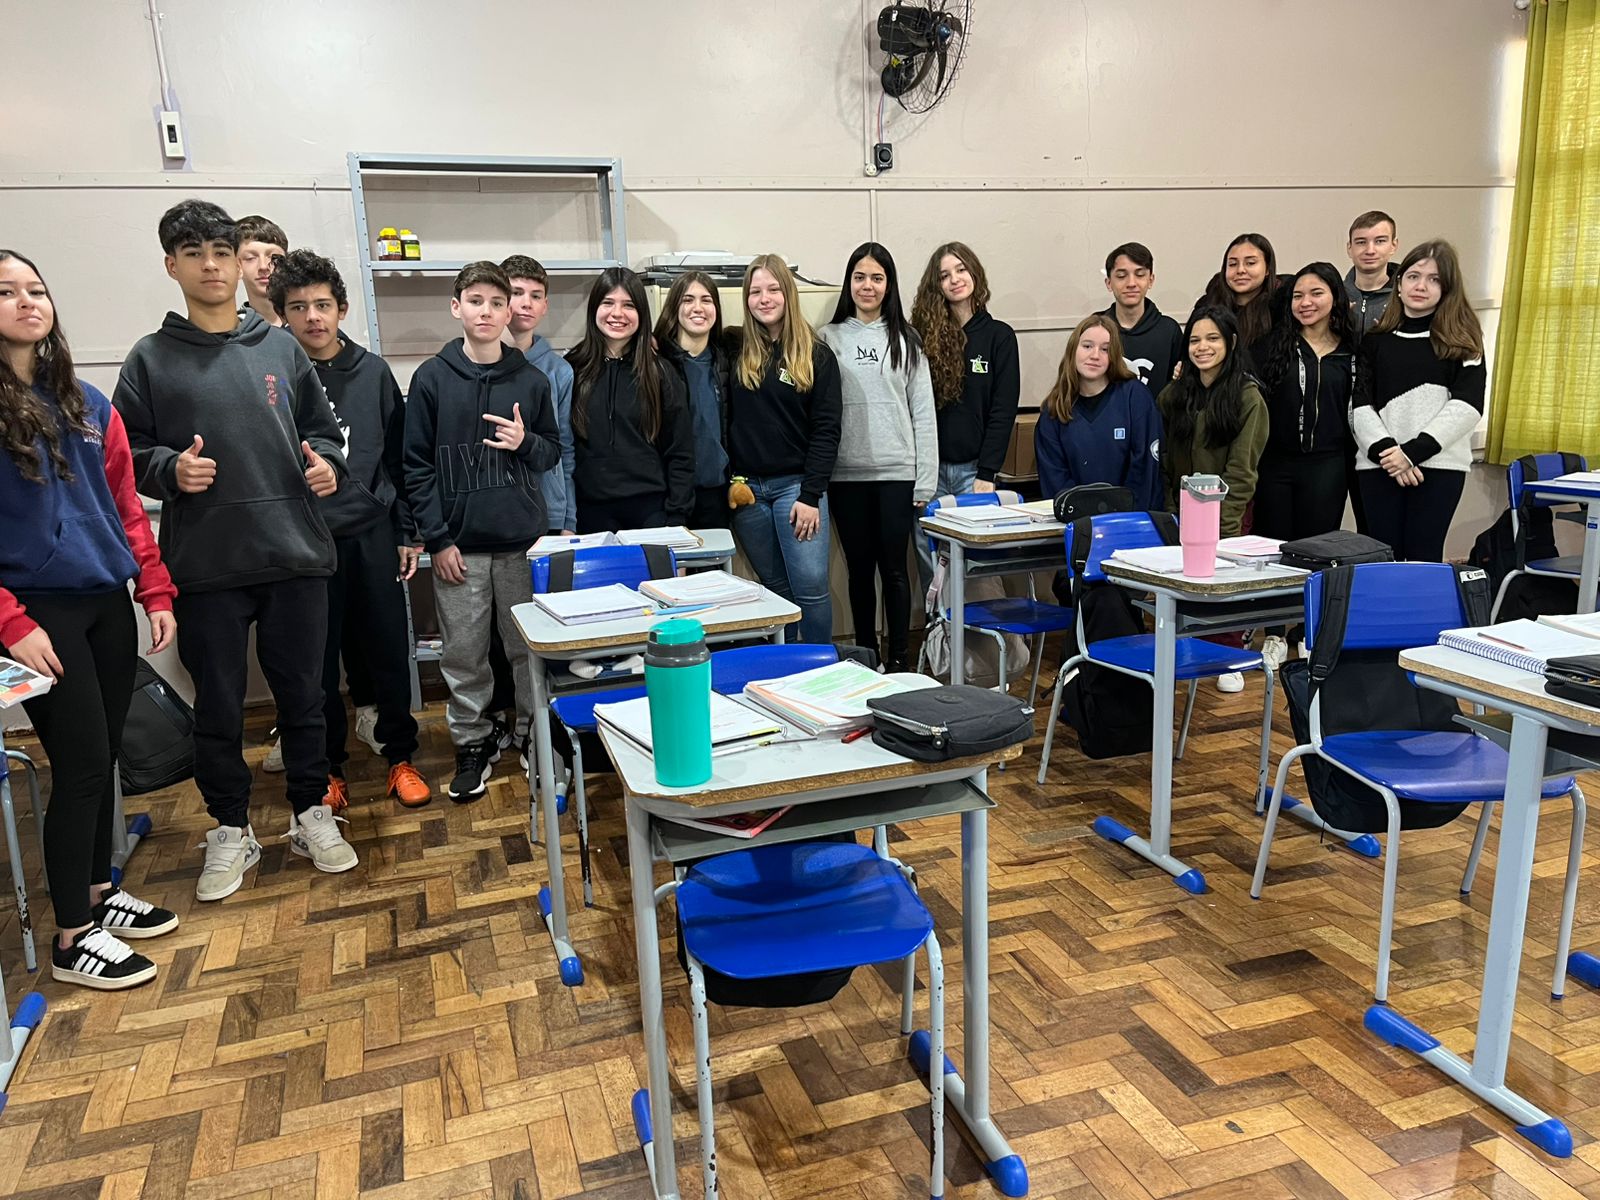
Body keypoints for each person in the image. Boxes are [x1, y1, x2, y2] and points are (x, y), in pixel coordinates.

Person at [114, 199, 355, 899]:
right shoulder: (150, 358)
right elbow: (127, 456)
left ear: (239, 261)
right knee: (218, 709)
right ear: (172, 266)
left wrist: (328, 465)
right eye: (194, 254)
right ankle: (229, 829)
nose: (212, 266)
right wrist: (171, 470)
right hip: (207, 565)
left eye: (221, 252)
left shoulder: (281, 348)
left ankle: (311, 813)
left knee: (305, 699)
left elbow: (323, 431)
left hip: (295, 556)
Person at [0, 249, 178, 988]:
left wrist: (154, 588)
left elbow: (125, 504)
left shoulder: (84, 401)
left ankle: (100, 892)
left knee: (103, 759)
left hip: (106, 601)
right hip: (39, 614)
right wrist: (12, 624)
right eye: (6, 292)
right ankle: (73, 937)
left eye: (36, 289)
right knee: (75, 768)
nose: (27, 302)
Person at [270, 250, 430, 809]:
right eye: (298, 307)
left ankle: (400, 757)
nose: (312, 316)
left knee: (387, 649)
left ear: (341, 308)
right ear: (282, 315)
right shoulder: (275, 376)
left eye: (322, 304)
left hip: (371, 533)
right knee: (315, 665)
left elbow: (398, 461)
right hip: (305, 540)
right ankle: (328, 770)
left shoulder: (373, 371)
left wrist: (407, 532)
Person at [403, 261, 560, 800]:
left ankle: (531, 732)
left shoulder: (531, 380)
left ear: (509, 311)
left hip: (521, 545)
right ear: (457, 308)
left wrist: (524, 442)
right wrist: (438, 539)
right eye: (475, 301)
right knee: (464, 653)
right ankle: (472, 740)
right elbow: (416, 466)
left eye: (497, 303)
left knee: (526, 648)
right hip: (459, 550)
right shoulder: (431, 379)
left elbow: (551, 452)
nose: (487, 312)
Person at [819, 242, 936, 672]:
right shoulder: (827, 338)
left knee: (895, 571)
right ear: (849, 283)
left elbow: (923, 412)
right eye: (859, 277)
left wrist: (925, 479)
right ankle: (867, 659)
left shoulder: (907, 340)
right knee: (859, 571)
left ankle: (900, 659)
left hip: (896, 475)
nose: (867, 286)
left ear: (889, 285)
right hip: (845, 476)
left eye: (877, 278)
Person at [726, 254, 842, 644]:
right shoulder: (735, 350)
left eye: (773, 289)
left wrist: (811, 495)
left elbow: (827, 430)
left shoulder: (817, 355)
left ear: (788, 294)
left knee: (810, 587)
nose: (764, 299)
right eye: (755, 291)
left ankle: (821, 667)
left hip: (797, 490)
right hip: (747, 493)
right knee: (775, 589)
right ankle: (788, 664)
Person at [1251, 262, 1358, 666]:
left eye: (1316, 293)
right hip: (1276, 464)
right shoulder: (1272, 346)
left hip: (1328, 464)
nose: (1306, 302)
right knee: (1275, 550)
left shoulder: (1351, 351)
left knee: (1317, 553)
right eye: (1298, 295)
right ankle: (1274, 633)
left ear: (1334, 297)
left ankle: (1307, 631)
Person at [1351, 240, 1484, 564]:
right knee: (1382, 560)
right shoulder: (1375, 341)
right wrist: (1390, 454)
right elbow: (1359, 405)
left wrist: (1411, 453)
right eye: (1413, 276)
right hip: (1379, 466)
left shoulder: (1464, 341)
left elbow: (1467, 406)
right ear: (1399, 284)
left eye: (1434, 279)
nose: (1421, 286)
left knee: (1423, 560)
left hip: (1438, 467)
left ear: (1447, 289)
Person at [1157, 305, 1269, 692]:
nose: (1202, 347)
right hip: (1180, 508)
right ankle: (1191, 649)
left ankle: (1230, 657)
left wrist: (1226, 525)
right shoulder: (1176, 394)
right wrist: (1171, 509)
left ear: (1231, 343)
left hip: (1228, 510)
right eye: (1194, 340)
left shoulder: (1247, 396)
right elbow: (1167, 457)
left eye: (1212, 339)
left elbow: (1242, 470)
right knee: (1186, 583)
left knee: (1225, 583)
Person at [565, 267, 693, 534]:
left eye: (628, 305)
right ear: (594, 309)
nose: (617, 313)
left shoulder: (660, 372)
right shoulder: (572, 369)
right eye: (608, 303)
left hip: (652, 511)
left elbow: (680, 452)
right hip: (589, 514)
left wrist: (677, 517)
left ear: (641, 313)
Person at [910, 241, 1019, 498]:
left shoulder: (999, 337)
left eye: (961, 270)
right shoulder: (921, 336)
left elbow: (1003, 411)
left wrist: (987, 473)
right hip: (928, 471)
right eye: (944, 275)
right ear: (936, 285)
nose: (955, 280)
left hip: (975, 473)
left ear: (974, 273)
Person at [1034, 314, 1164, 511]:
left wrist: (1119, 517)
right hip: (1077, 522)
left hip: (1130, 519)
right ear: (1073, 350)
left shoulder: (1135, 397)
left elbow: (1144, 472)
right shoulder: (1054, 412)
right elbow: (1055, 481)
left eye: (1105, 349)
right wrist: (1086, 516)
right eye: (1087, 346)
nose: (1095, 355)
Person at [502, 255, 576, 536]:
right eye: (516, 293)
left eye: (535, 296)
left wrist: (568, 520)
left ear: (545, 305)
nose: (526, 303)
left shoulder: (559, 371)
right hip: (496, 511)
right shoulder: (480, 365)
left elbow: (566, 449)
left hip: (548, 511)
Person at [655, 271, 734, 529]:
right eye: (688, 300)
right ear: (674, 307)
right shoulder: (656, 363)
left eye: (706, 300)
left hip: (716, 493)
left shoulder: (727, 360)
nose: (698, 308)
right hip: (667, 495)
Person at [1099, 242, 1185, 393]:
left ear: (1150, 280)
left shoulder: (1169, 330)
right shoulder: (1096, 328)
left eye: (1139, 275)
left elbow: (1179, 389)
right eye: (1121, 276)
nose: (1131, 283)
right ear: (1109, 283)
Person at [1196, 233, 1285, 348]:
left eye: (1250, 263)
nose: (1240, 270)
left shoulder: (1281, 307)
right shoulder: (1208, 304)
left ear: (1268, 269)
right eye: (1233, 264)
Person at [1345, 210, 1401, 335]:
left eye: (1379, 241)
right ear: (1349, 248)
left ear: (1393, 245)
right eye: (1361, 242)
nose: (1370, 251)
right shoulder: (1336, 297)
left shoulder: (1406, 298)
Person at [234, 215, 288, 327]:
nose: (263, 266)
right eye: (250, 258)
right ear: (236, 267)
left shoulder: (309, 322)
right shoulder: (233, 329)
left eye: (273, 257)